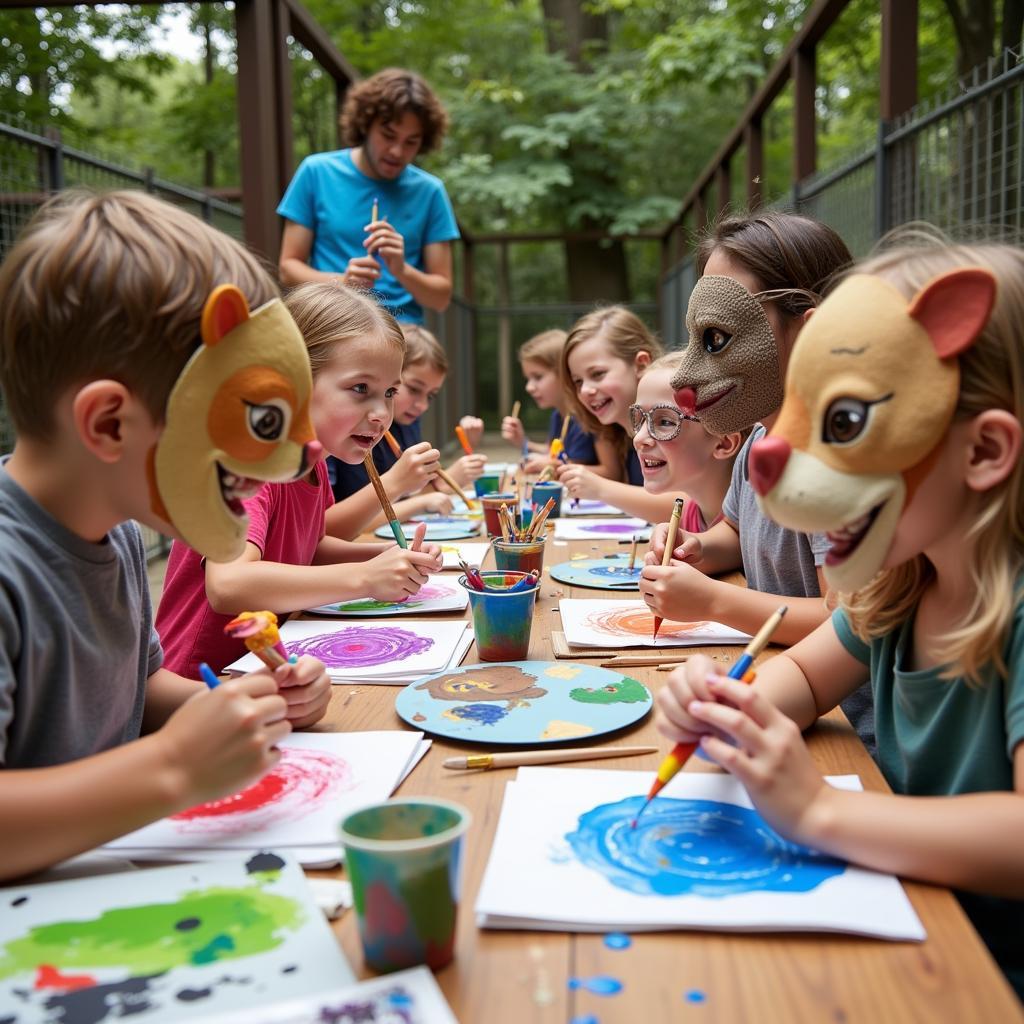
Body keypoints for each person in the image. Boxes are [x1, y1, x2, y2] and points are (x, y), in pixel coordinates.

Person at [655, 237, 1024, 999]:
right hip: (908, 929)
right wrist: (729, 703)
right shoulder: (900, 588)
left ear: (984, 449)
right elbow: (799, 674)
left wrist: (818, 808)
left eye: (845, 420)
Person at [0, 190, 331, 881]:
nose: (305, 457)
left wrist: (240, 710)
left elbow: (137, 692)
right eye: (260, 424)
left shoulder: (113, 530)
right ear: (110, 426)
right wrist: (177, 767)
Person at [157, 283, 442, 678]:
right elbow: (229, 585)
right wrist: (365, 578)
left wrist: (386, 560)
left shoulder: (314, 462)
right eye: (361, 388)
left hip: (266, 677)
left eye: (390, 391)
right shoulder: (250, 463)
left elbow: (307, 546)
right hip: (202, 686)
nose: (381, 413)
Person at [640, 213, 854, 653]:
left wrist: (715, 601)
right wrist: (695, 547)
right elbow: (738, 536)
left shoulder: (833, 466)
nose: (685, 377)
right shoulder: (758, 441)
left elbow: (847, 623)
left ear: (810, 332)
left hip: (844, 716)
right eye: (693, 339)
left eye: (716, 338)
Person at [277, 68, 459, 325]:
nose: (397, 151)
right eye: (388, 135)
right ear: (365, 124)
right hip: (333, 323)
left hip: (402, 334)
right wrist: (343, 282)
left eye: (411, 142)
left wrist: (401, 269)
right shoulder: (316, 172)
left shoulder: (430, 192)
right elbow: (288, 269)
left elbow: (441, 297)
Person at [326, 323, 487, 539]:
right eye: (361, 389)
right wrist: (412, 485)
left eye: (431, 395)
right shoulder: (335, 440)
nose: (422, 405)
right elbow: (324, 528)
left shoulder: (405, 426)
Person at [555, 306, 678, 522]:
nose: (585, 390)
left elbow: (689, 506)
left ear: (641, 364)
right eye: (578, 381)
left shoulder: (676, 422)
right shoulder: (617, 433)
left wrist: (601, 488)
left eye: (598, 374)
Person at [631, 352, 746, 532]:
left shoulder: (751, 529)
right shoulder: (690, 515)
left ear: (724, 443)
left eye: (666, 422)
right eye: (639, 419)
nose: (638, 439)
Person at [500, 328, 609, 476]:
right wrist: (523, 442)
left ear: (564, 373)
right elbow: (552, 452)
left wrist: (553, 466)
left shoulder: (588, 416)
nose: (529, 387)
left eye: (537, 377)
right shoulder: (558, 415)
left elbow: (611, 473)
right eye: (528, 379)